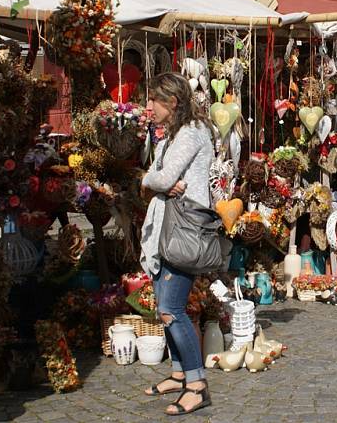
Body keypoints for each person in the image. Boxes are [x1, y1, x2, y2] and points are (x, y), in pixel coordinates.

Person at [140, 72, 215, 416]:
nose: (148, 107)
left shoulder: (191, 132)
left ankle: (197, 386)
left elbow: (162, 177)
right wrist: (156, 182)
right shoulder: (172, 135)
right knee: (164, 306)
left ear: (171, 102)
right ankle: (179, 372)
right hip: (168, 227)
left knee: (172, 309)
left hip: (184, 227)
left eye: (153, 100)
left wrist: (150, 181)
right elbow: (161, 179)